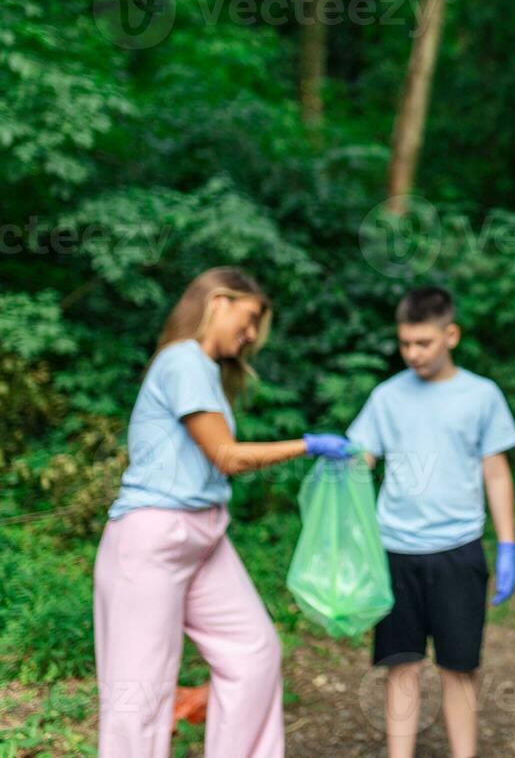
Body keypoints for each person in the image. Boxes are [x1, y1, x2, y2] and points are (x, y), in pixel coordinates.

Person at [94, 266, 353, 758]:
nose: (252, 335)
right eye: (250, 318)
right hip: (154, 537)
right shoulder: (183, 362)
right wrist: (308, 444)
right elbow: (227, 456)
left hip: (205, 536)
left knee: (254, 653)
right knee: (139, 691)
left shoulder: (205, 371)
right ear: (218, 301)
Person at [346, 286, 515, 758]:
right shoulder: (386, 397)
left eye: (423, 343)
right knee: (401, 664)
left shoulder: (481, 396)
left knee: (459, 666)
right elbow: (360, 458)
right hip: (395, 550)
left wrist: (507, 544)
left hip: (458, 551)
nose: (412, 354)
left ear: (451, 335)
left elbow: (496, 471)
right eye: (405, 344)